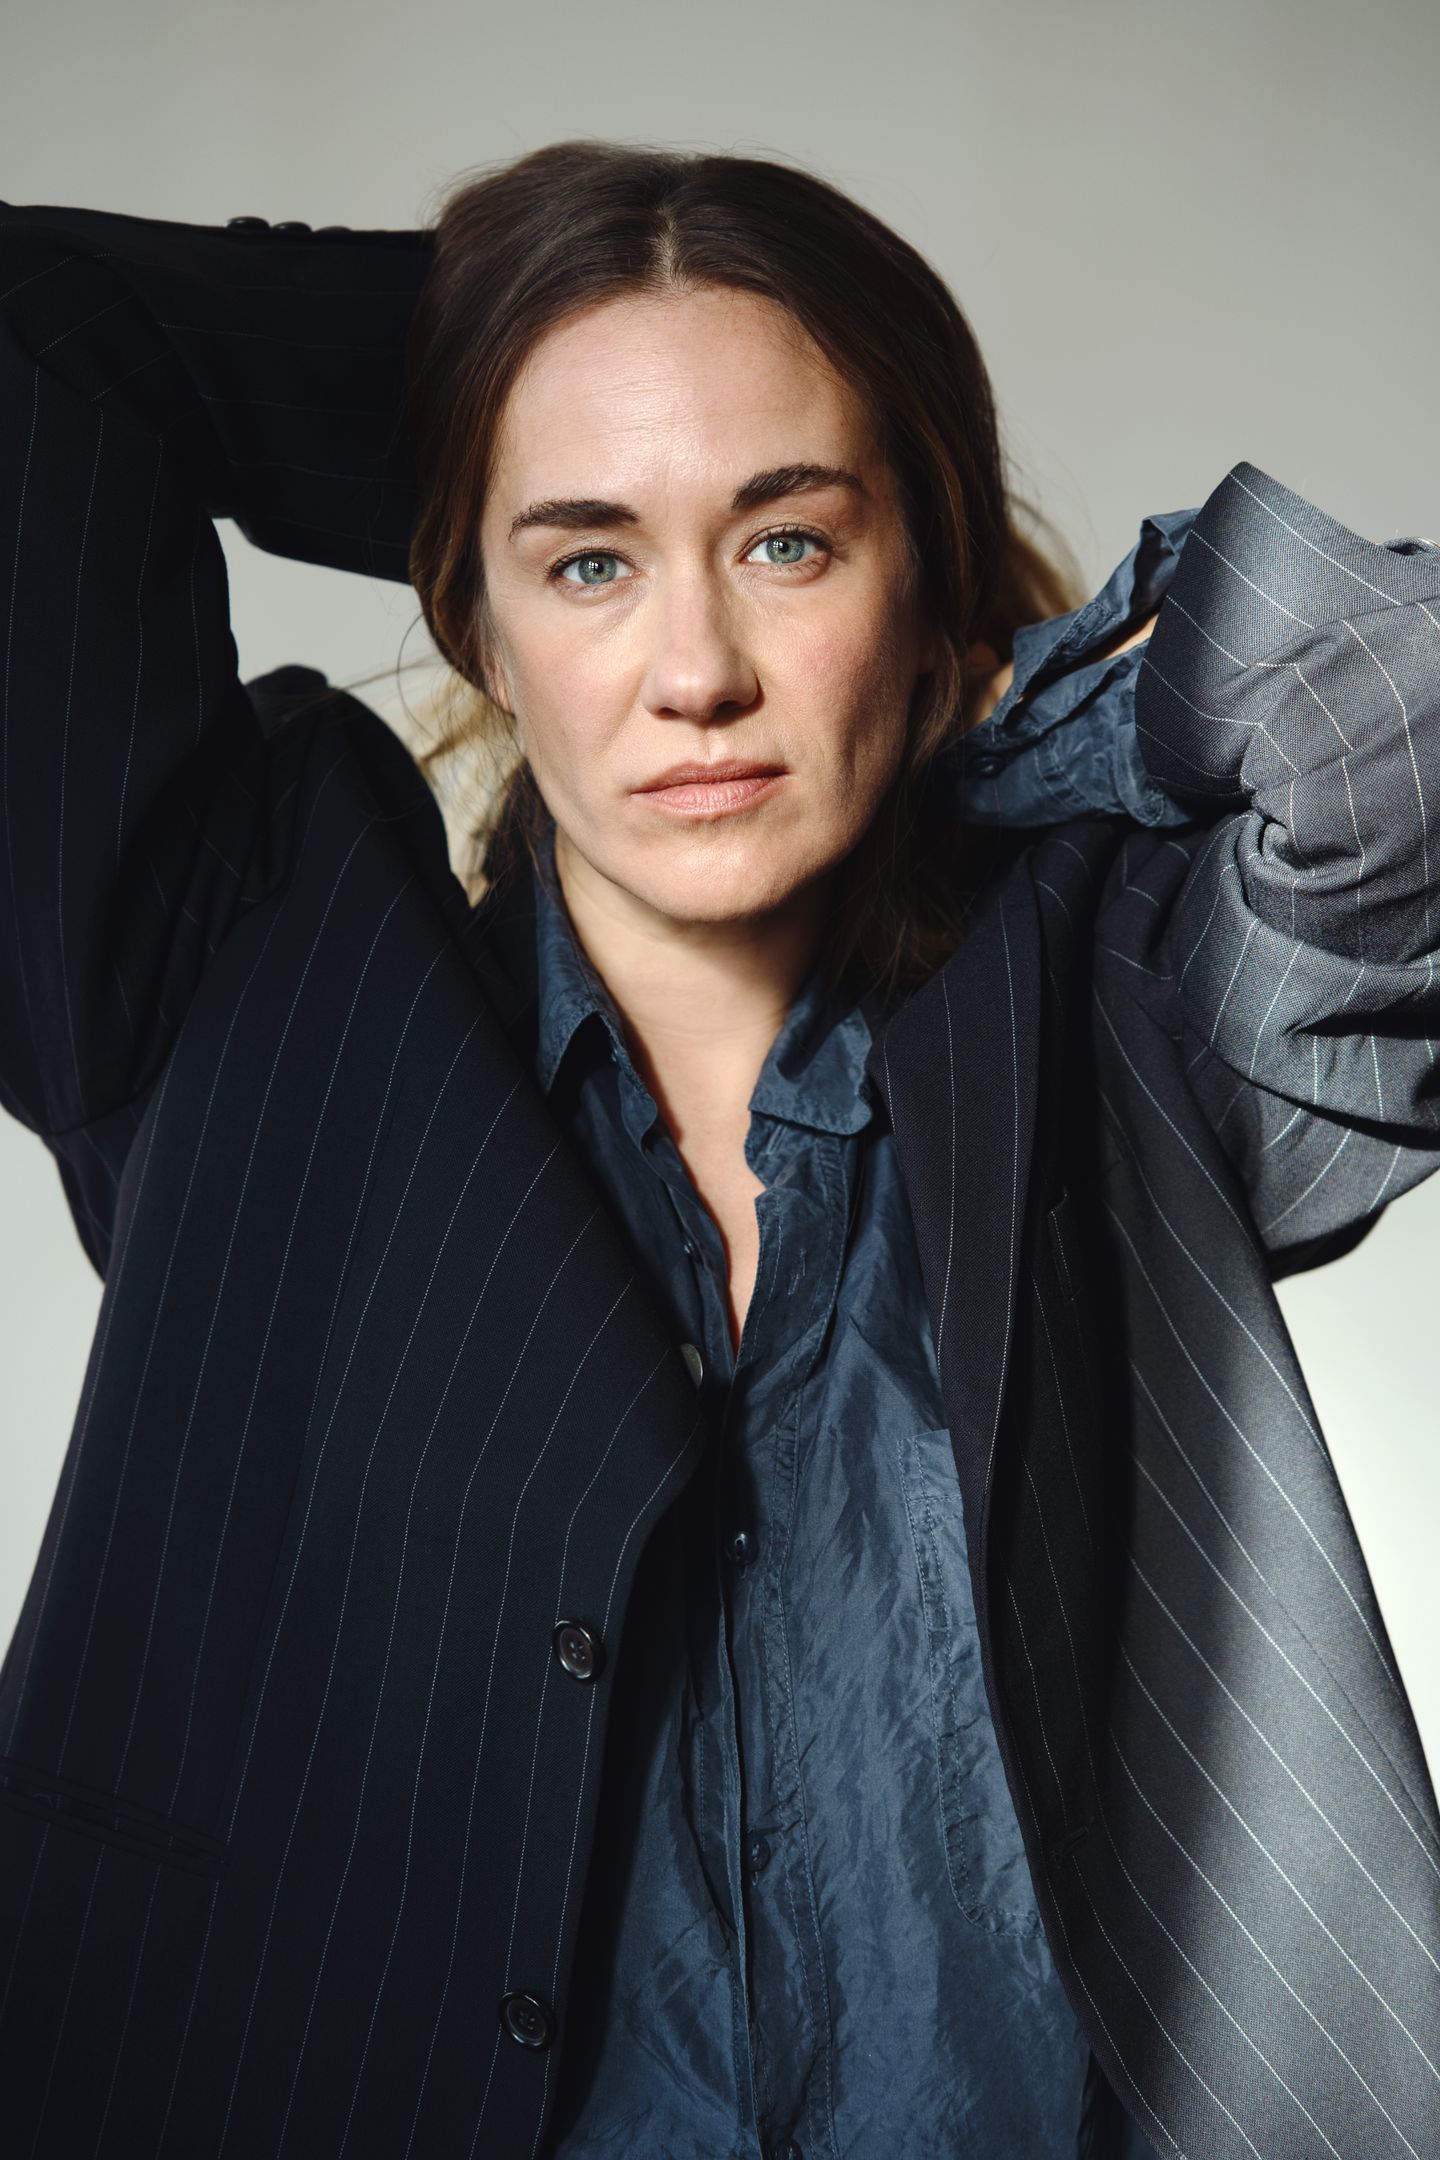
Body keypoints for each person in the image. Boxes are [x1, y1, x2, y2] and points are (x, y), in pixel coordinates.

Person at [0, 141, 1436, 2160]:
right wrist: (510, 334)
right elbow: (29, 343)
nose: (697, 676)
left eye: (788, 543)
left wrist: (1002, 726)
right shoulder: (245, 1011)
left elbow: (1393, 712)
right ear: (477, 621)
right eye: (587, 561)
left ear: (920, 581)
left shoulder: (1117, 1020)